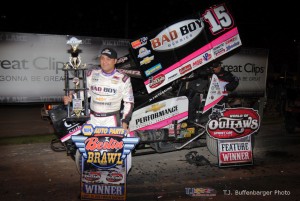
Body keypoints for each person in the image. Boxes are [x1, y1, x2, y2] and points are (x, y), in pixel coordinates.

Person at [63, 47, 134, 132]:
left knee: (111, 145)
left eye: (108, 59)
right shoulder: (91, 74)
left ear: (115, 61)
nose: (104, 62)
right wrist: (72, 97)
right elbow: (86, 92)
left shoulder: (123, 79)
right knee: (89, 144)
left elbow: (129, 102)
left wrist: (125, 123)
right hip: (93, 119)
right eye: (102, 58)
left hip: (111, 120)